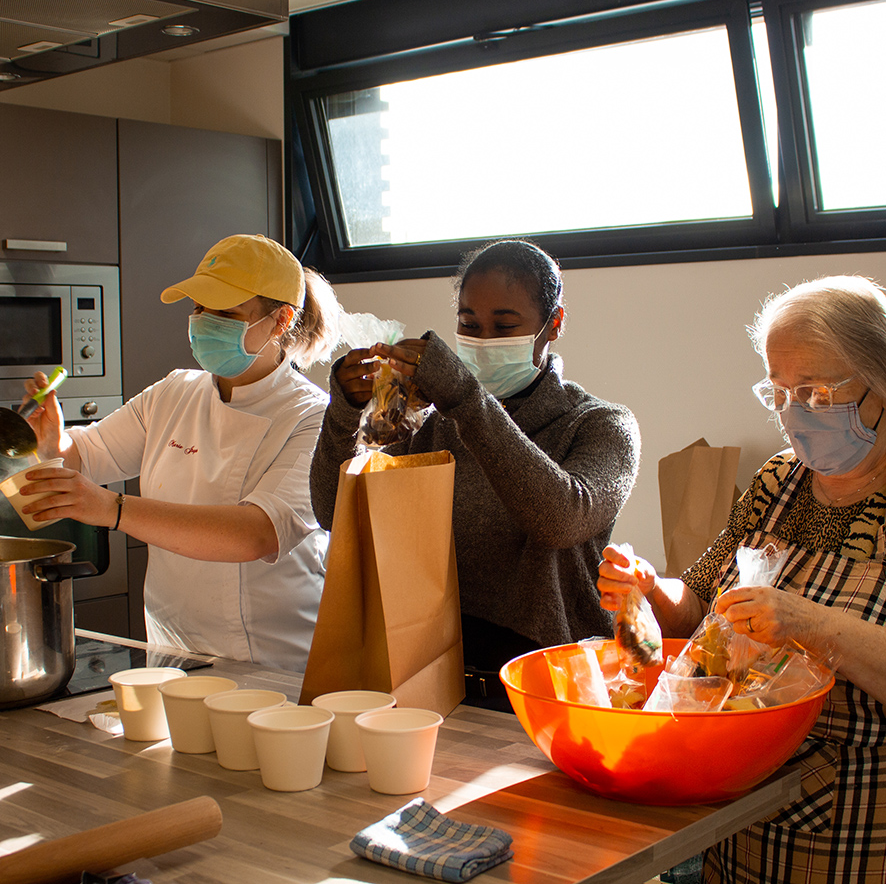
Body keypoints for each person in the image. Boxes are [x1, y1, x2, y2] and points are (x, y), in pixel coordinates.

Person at [598, 274, 886, 884]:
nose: (793, 415)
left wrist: (809, 623)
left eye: (814, 392)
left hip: (859, 832)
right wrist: (650, 585)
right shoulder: (779, 482)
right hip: (738, 818)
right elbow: (697, 606)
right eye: (777, 392)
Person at [310, 238, 640, 707]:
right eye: (469, 325)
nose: (484, 342)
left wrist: (465, 398)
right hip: (432, 677)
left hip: (553, 689)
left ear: (554, 325)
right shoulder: (432, 422)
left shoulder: (601, 424)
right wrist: (344, 413)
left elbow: (560, 518)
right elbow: (333, 514)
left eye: (505, 326)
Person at [20, 233, 341, 672]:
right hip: (173, 653)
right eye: (199, 309)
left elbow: (256, 533)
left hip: (273, 662)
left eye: (225, 313)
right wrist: (54, 442)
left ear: (281, 320)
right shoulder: (173, 393)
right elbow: (86, 456)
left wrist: (113, 509)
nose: (205, 322)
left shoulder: (311, 416)